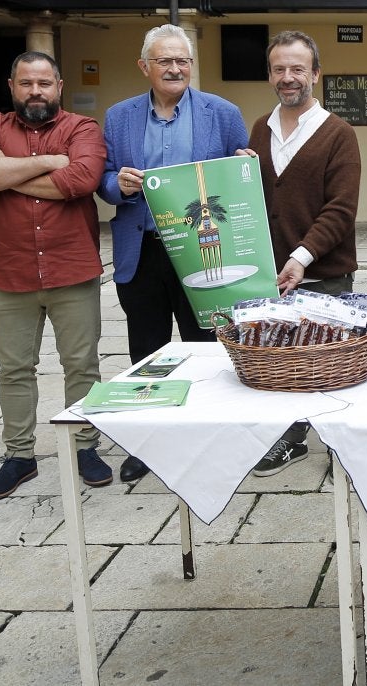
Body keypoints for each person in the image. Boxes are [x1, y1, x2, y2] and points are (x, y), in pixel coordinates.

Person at [98, 24, 250, 483]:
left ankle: (207, 437)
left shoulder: (222, 113)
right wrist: (118, 186)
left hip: (204, 251)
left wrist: (243, 165)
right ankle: (149, 442)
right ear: (145, 66)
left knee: (207, 347)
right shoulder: (120, 117)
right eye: (164, 60)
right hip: (142, 249)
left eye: (182, 60)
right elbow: (102, 179)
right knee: (147, 349)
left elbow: (237, 174)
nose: (175, 68)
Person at [0, 51, 111, 500]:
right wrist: (51, 162)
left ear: (59, 86)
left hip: (71, 268)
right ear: (12, 86)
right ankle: (19, 456)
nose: (35, 92)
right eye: (26, 83)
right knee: (14, 369)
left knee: (82, 365)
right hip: (10, 273)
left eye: (44, 83)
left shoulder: (82, 128)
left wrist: (4, 174)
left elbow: (82, 180)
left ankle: (86, 446)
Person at [246, 29, 361, 475]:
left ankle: (337, 443)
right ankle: (291, 438)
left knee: (330, 362)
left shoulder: (338, 133)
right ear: (270, 74)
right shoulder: (260, 128)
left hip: (323, 271)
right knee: (284, 360)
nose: (288, 77)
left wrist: (302, 256)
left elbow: (341, 209)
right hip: (273, 274)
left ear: (315, 73)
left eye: (298, 68)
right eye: (280, 69)